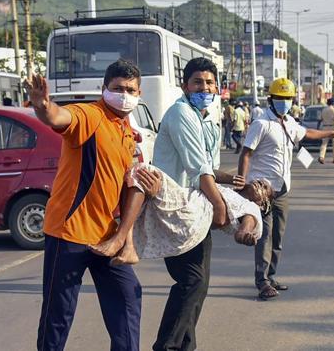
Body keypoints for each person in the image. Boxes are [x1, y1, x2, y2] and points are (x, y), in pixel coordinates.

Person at [26, 59, 144, 351]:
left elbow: (127, 189)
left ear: (139, 95)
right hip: (68, 233)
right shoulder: (91, 115)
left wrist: (124, 240)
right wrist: (43, 106)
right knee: (59, 314)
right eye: (118, 88)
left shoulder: (128, 133)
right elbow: (59, 117)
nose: (125, 94)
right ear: (104, 89)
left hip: (105, 235)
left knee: (128, 295)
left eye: (131, 90)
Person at [151, 57, 244, 351]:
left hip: (196, 206)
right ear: (185, 86)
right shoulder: (181, 113)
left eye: (209, 83)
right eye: (198, 83)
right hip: (175, 208)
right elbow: (197, 168)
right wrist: (220, 206)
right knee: (190, 281)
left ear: (217, 88)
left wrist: (232, 179)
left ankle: (185, 347)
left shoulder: (207, 117)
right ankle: (165, 346)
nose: (204, 88)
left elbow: (209, 168)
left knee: (199, 285)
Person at [237, 78, 334, 300]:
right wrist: (243, 182)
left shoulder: (289, 122)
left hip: (282, 190)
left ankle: (271, 275)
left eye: (288, 98)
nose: (284, 102)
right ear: (271, 99)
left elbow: (307, 133)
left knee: (278, 236)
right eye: (280, 98)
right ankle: (262, 281)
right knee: (265, 235)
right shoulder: (261, 124)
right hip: (262, 191)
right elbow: (246, 153)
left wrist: (331, 134)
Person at [88, 163, 269, 264]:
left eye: (265, 188)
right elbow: (205, 173)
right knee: (138, 196)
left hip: (193, 211)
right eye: (259, 181)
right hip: (190, 221)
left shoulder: (252, 209)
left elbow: (245, 226)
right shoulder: (230, 192)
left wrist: (245, 234)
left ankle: (122, 241)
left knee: (142, 171)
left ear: (263, 204)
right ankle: (127, 246)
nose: (259, 184)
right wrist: (230, 179)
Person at [319, 97, 334, 164]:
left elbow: (320, 119)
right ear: (333, 103)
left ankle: (321, 157)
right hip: (333, 128)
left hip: (325, 128)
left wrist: (318, 128)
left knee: (324, 144)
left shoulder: (323, 110)